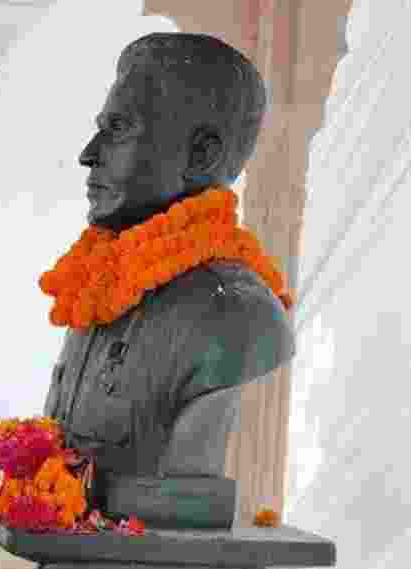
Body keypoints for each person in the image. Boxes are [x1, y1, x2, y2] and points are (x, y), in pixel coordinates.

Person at [41, 32, 293, 526]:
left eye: (119, 129)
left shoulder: (235, 315)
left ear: (200, 154)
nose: (89, 153)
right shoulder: (98, 293)